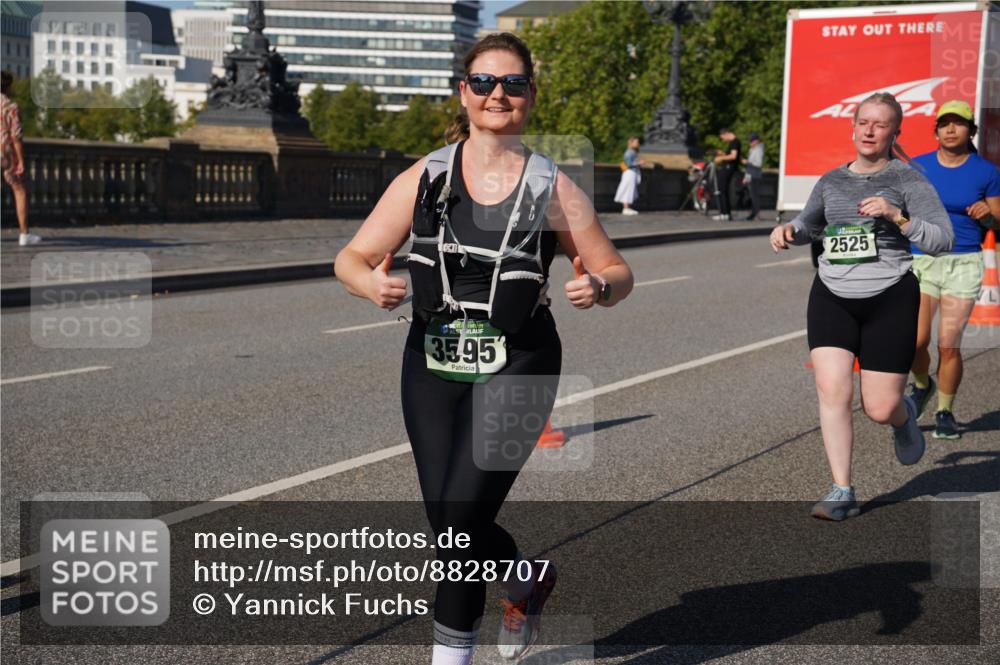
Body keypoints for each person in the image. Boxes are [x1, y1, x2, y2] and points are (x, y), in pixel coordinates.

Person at [334, 33, 633, 664]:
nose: (499, 94)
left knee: (460, 526)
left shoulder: (554, 187)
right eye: (484, 82)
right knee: (449, 524)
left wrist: (600, 286)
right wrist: (370, 284)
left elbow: (617, 270)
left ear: (531, 95)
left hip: (521, 360)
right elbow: (351, 257)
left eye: (513, 84)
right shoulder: (426, 176)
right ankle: (524, 580)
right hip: (432, 359)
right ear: (464, 92)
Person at [769, 92, 953, 521]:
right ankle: (842, 490)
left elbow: (942, 239)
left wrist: (897, 216)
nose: (870, 131)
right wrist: (789, 230)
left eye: (880, 124)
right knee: (832, 389)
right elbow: (810, 224)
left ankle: (905, 414)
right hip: (832, 294)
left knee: (879, 408)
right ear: (852, 127)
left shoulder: (908, 180)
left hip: (890, 296)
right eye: (863, 122)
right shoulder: (831, 180)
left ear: (895, 133)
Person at [907, 100, 1000, 439]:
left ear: (971, 131)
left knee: (948, 345)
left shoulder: (986, 172)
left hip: (963, 262)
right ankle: (922, 385)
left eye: (958, 123)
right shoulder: (917, 167)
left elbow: (998, 221)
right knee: (916, 341)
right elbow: (898, 211)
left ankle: (945, 411)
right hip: (922, 259)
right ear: (935, 131)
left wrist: (987, 215)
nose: (950, 129)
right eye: (944, 123)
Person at [1, 71, 40, 246]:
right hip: (6, 152)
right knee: (19, 190)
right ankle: (24, 234)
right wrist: (20, 159)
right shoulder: (11, 106)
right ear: (8, 86)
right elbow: (16, 136)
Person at [712, 127, 741, 221]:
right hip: (729, 167)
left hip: (729, 168)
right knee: (723, 189)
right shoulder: (734, 142)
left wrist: (721, 158)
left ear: (726, 134)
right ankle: (725, 213)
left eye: (723, 138)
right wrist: (723, 154)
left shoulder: (734, 142)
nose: (724, 140)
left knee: (722, 189)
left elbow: (733, 156)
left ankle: (724, 213)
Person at [614, 136, 645, 215]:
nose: (638, 144)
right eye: (636, 142)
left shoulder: (632, 152)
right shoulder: (629, 152)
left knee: (630, 189)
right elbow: (628, 164)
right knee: (627, 189)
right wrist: (639, 163)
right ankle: (626, 208)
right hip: (630, 173)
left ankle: (628, 207)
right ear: (631, 143)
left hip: (632, 172)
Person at [741, 131, 764, 221]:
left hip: (755, 176)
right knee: (751, 195)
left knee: (754, 196)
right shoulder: (753, 149)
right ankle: (753, 213)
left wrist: (747, 162)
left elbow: (758, 163)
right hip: (751, 175)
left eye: (751, 141)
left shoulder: (758, 150)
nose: (750, 143)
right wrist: (746, 177)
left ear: (756, 141)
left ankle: (755, 213)